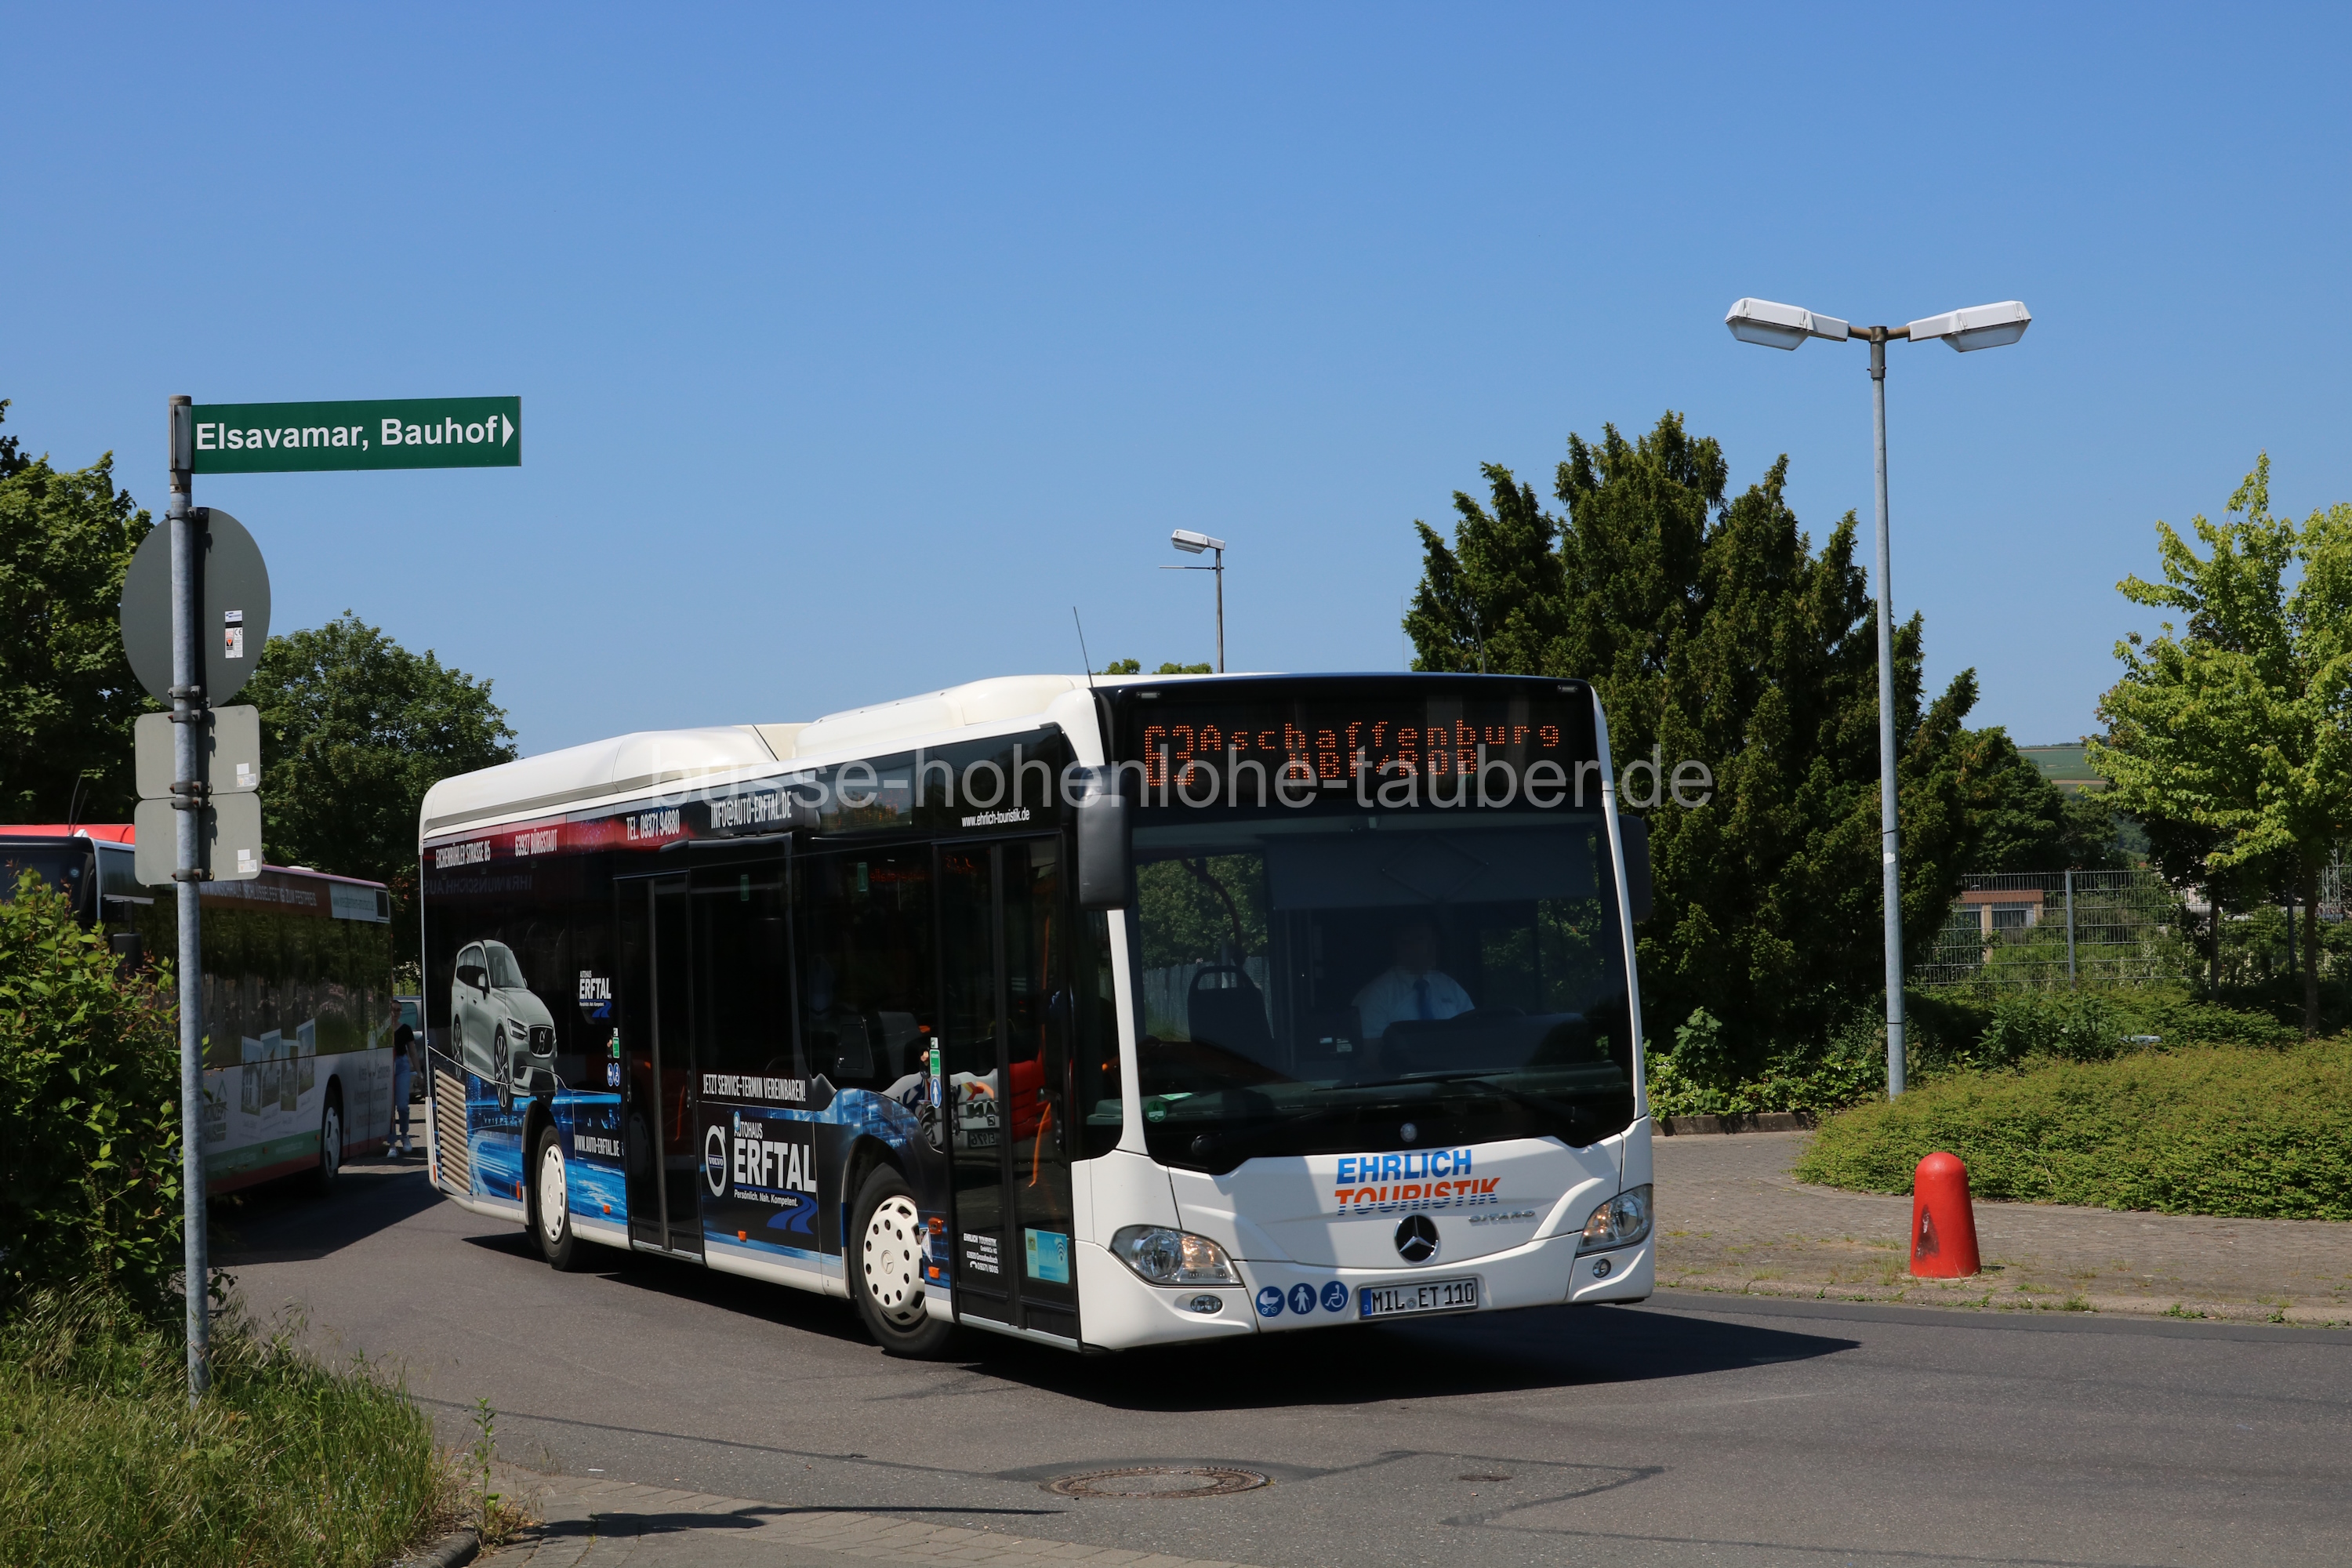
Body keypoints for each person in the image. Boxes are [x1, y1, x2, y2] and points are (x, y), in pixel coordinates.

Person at [1351, 916, 1473, 1040]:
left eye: (1433, 941)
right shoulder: (1378, 994)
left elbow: (1472, 1032)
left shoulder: (1449, 986)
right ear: (1403, 945)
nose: (1431, 947)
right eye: (1422, 940)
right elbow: (1371, 1047)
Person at [390, 1023, 415, 1156]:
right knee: (389, 1108)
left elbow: (412, 1050)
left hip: (402, 1064)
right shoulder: (382, 1027)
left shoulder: (405, 1029)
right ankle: (392, 1143)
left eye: (398, 1012)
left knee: (402, 1106)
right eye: (393, 1012)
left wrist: (419, 1073)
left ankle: (404, 1135)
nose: (395, 1013)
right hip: (385, 1062)